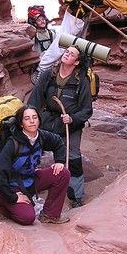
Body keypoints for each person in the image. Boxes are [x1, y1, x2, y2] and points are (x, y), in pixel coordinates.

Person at [29, 45, 93, 208]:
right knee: (32, 151)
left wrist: (72, 119)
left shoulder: (82, 81)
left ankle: (76, 195)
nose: (67, 54)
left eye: (72, 54)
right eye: (66, 52)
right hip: (48, 120)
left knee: (72, 158)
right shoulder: (48, 74)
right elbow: (35, 98)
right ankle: (28, 188)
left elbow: (87, 109)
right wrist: (30, 118)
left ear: (77, 62)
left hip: (69, 125)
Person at [0, 105, 71, 225]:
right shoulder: (12, 143)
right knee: (27, 218)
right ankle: (6, 207)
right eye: (27, 118)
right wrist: (12, 196)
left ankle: (50, 215)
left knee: (62, 173)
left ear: (39, 120)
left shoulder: (41, 136)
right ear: (21, 123)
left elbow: (58, 142)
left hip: (30, 180)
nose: (32, 121)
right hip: (11, 185)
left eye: (35, 117)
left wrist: (60, 161)